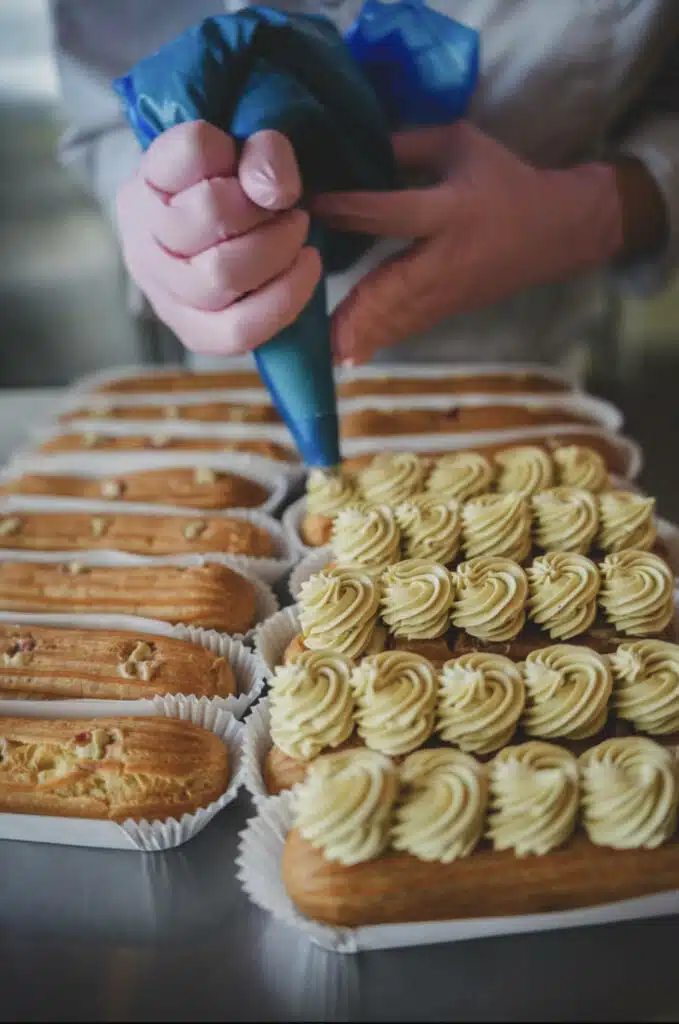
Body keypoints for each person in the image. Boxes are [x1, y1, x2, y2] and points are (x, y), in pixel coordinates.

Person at [51, 1, 679, 375]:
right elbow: (106, 93)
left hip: (524, 364)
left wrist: (581, 216)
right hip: (236, 391)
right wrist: (157, 203)